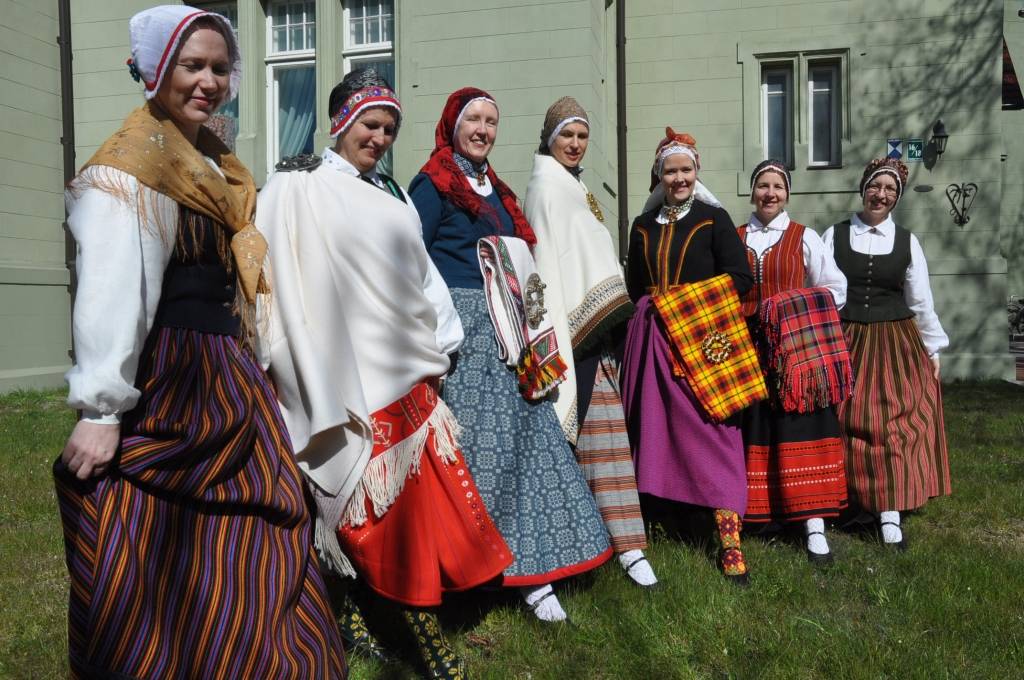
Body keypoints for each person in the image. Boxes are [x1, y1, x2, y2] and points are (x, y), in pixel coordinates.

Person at [53, 6, 345, 677]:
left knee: (260, 527)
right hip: (172, 376)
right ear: (154, 70)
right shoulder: (133, 165)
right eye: (192, 66)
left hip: (227, 371)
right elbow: (114, 288)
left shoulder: (213, 162)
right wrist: (101, 410)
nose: (209, 82)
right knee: (159, 535)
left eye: (219, 67)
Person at [257, 68, 513, 679]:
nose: (378, 138)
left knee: (410, 518)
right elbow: (268, 266)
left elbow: (420, 271)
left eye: (389, 130)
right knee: (364, 514)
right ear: (341, 122)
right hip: (343, 368)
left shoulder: (392, 192)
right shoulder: (298, 185)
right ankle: (385, 629)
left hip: (405, 367)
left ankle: (384, 620)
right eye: (369, 125)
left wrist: (444, 341)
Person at [409, 87, 612, 622]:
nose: (483, 130)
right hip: (462, 333)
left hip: (508, 331)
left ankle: (535, 567)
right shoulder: (433, 184)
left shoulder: (496, 189)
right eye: (473, 120)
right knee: (480, 451)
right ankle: (480, 570)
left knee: (532, 442)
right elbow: (410, 259)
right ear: (452, 125)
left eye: (491, 122)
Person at [523, 97, 656, 587]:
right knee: (597, 442)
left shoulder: (575, 187)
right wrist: (561, 331)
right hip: (573, 332)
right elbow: (545, 268)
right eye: (567, 135)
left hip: (595, 335)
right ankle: (616, 547)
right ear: (549, 139)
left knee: (606, 441)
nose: (576, 144)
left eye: (582, 136)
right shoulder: (546, 190)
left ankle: (615, 544)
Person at [621, 130, 757, 584]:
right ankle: (658, 520)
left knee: (714, 432)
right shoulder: (642, 226)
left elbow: (740, 278)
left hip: (701, 342)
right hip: (652, 341)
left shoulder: (714, 219)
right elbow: (635, 287)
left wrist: (685, 302)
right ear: (658, 175)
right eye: (670, 171)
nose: (679, 178)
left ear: (697, 172)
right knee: (654, 428)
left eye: (686, 170)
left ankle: (730, 540)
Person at [823, 158, 951, 550]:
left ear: (897, 197)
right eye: (875, 187)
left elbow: (920, 299)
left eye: (890, 190)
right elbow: (821, 289)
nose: (881, 195)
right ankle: (848, 502)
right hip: (847, 338)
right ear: (863, 189)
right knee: (846, 419)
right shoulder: (834, 235)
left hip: (895, 342)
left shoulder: (907, 241)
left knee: (892, 425)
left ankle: (890, 510)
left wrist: (933, 347)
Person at [737, 160, 851, 564]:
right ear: (753, 191)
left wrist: (790, 305)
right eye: (763, 185)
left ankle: (813, 522)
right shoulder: (735, 237)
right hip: (748, 348)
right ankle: (760, 515)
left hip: (794, 348)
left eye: (777, 187)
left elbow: (835, 289)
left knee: (800, 425)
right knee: (756, 428)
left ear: (787, 194)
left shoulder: (805, 237)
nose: (770, 193)